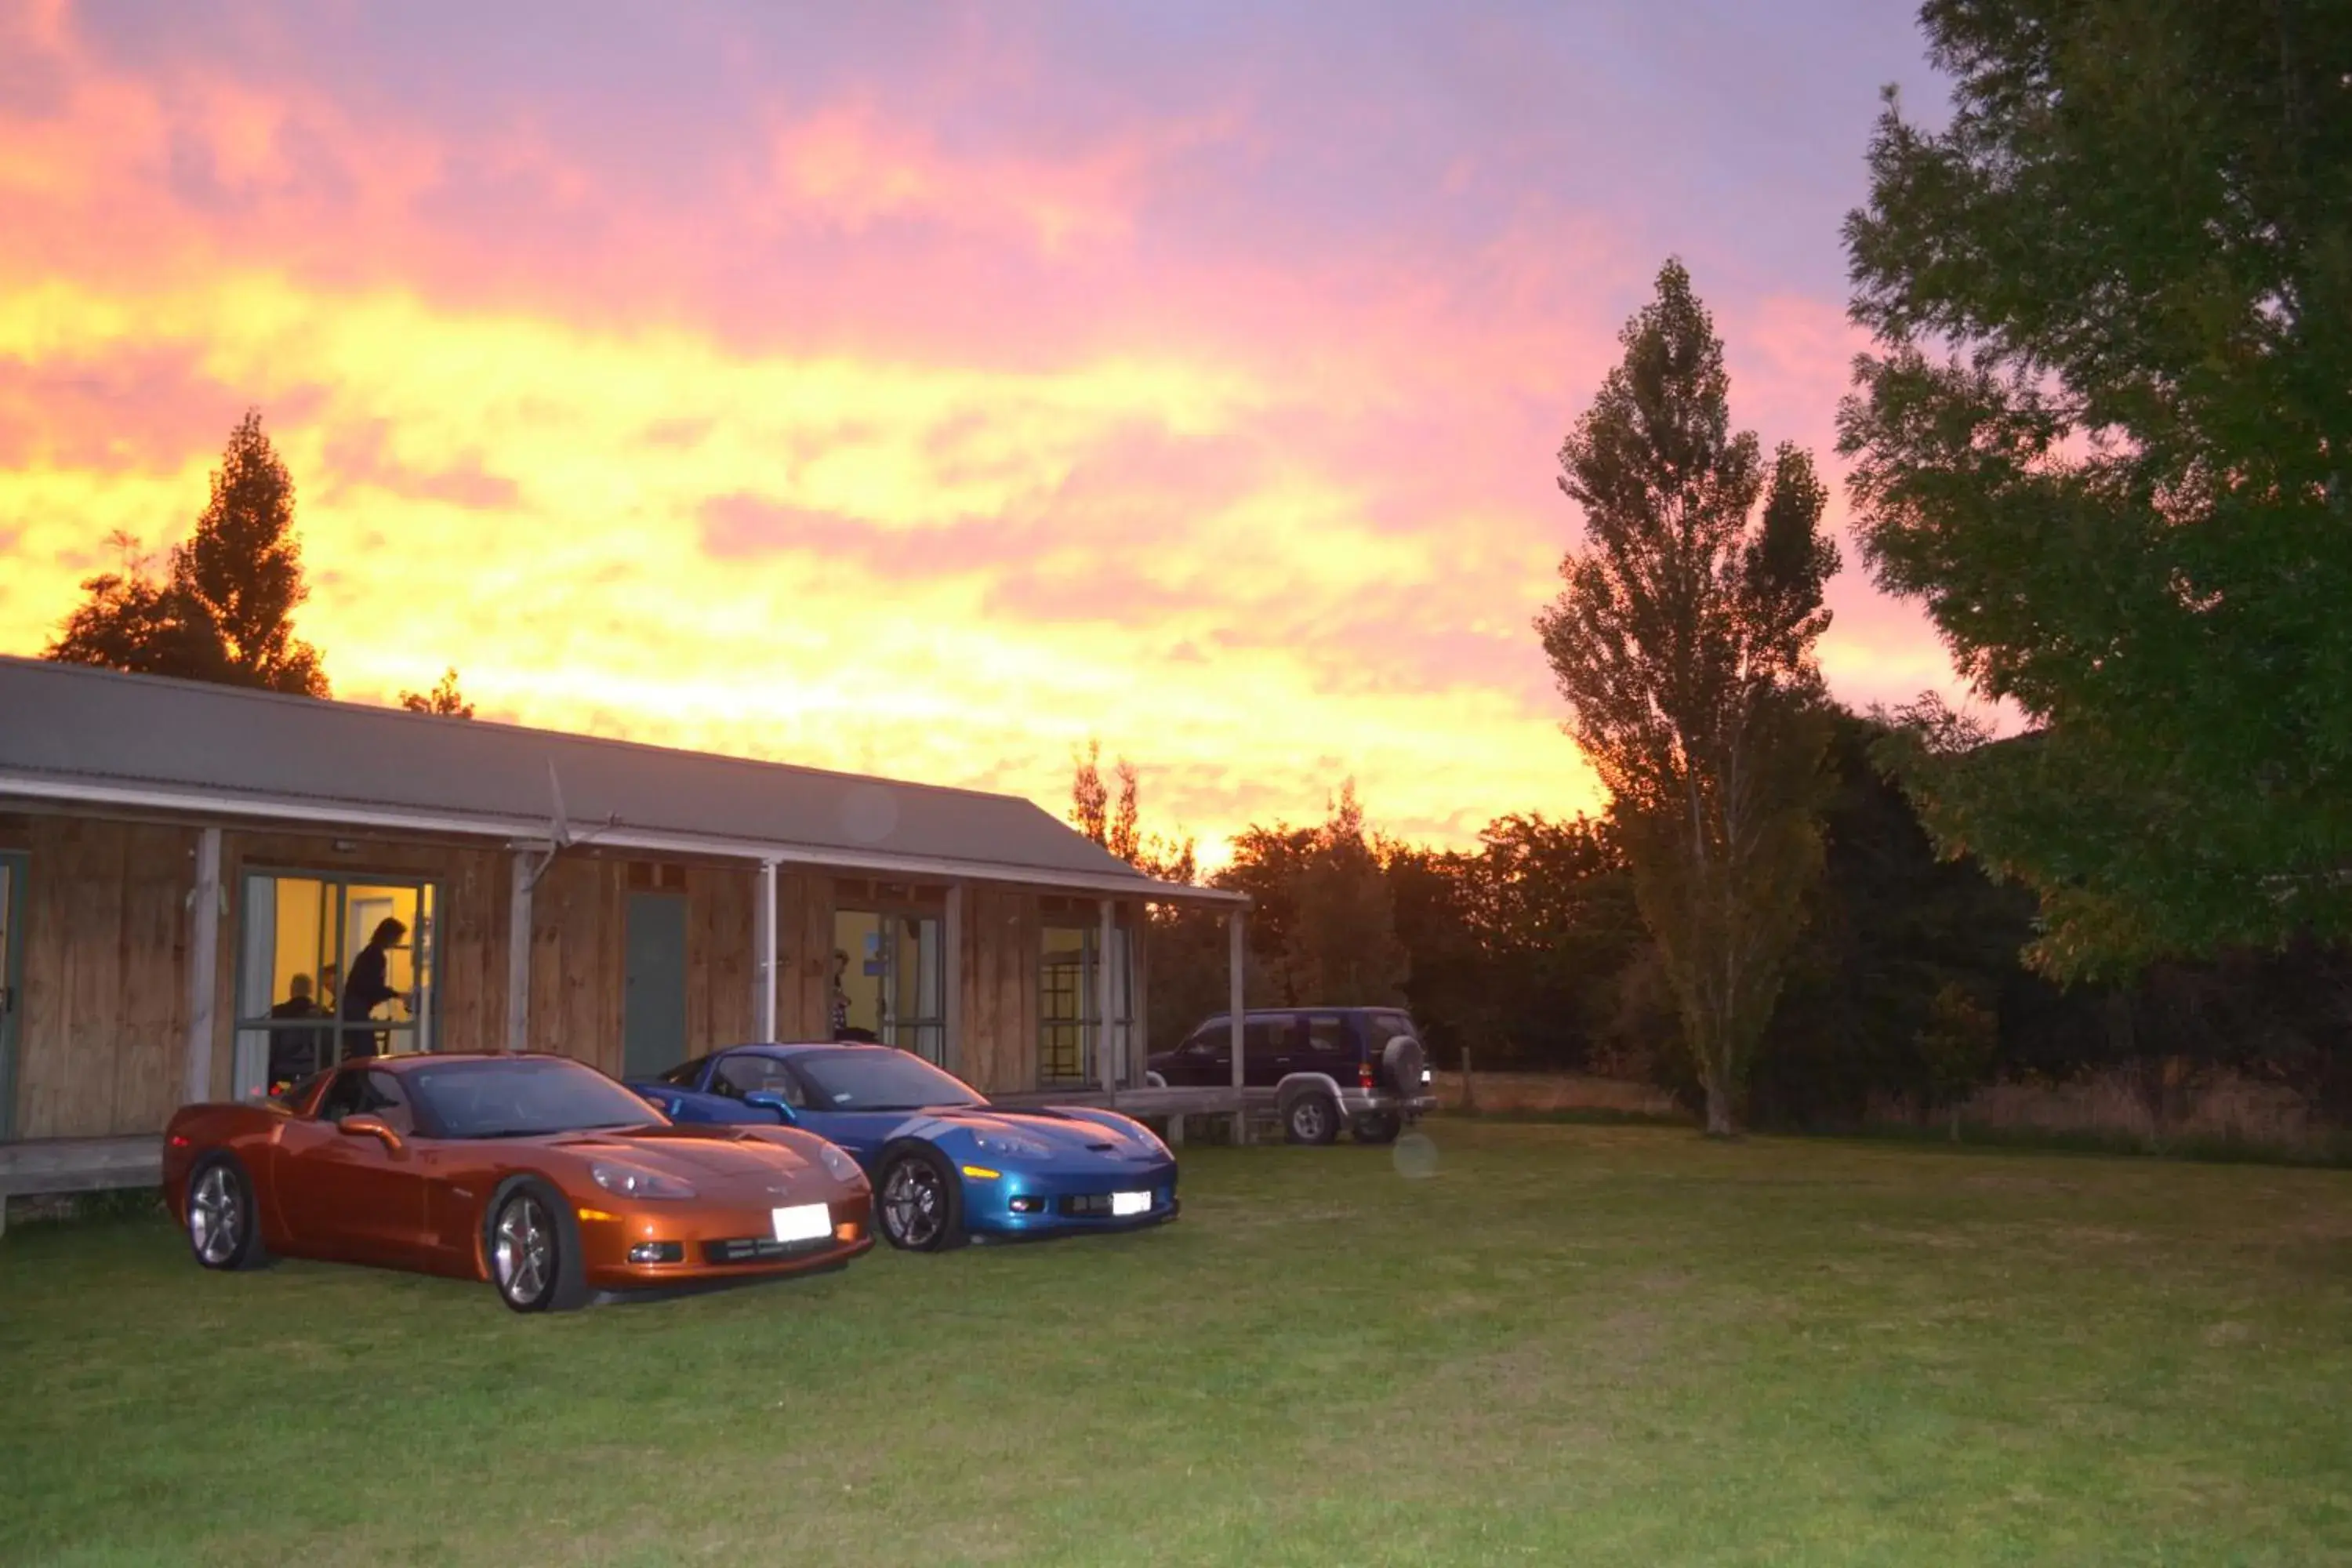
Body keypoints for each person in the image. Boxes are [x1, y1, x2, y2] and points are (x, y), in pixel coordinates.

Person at [339, 917, 410, 1060]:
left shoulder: (369, 953)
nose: (398, 942)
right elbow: (372, 987)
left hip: (353, 1007)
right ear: (390, 936)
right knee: (366, 1054)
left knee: (361, 1050)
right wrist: (396, 994)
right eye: (398, 937)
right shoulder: (375, 956)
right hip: (356, 1008)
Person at [267, 974, 328, 1088]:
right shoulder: (322, 1015)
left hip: (282, 1074)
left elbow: (270, 1049)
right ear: (311, 990)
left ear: (292, 989)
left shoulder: (277, 1013)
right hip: (315, 1074)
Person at [829, 949, 851, 1040]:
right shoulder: (825, 980)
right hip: (831, 1023)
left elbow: (840, 997)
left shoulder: (837, 979)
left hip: (839, 1022)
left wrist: (845, 1000)